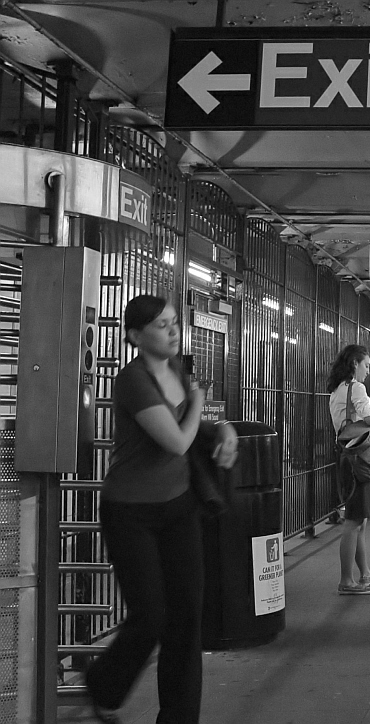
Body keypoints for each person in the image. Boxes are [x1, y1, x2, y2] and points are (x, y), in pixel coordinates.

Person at [85, 295, 238, 724]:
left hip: (179, 508)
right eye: (160, 325)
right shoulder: (132, 380)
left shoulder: (175, 370)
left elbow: (194, 425)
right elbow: (176, 440)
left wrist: (224, 428)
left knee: (187, 621)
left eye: (174, 323)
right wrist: (198, 396)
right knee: (150, 616)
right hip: (131, 513)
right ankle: (104, 684)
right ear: (135, 336)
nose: (173, 331)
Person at [328, 345, 370, 595]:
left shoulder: (337, 391)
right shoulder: (356, 388)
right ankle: (346, 581)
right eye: (366, 365)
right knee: (353, 522)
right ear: (354, 365)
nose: (368, 371)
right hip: (360, 459)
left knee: (359, 520)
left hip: (347, 457)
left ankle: (364, 573)